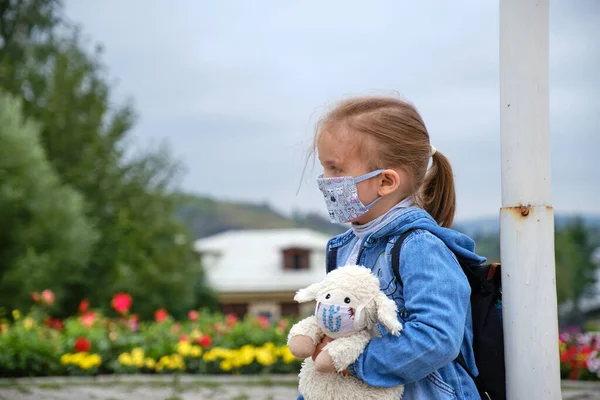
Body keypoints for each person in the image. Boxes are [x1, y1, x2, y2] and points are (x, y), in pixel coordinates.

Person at [297, 96, 486, 399]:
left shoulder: (420, 247)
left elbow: (436, 338)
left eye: (335, 169)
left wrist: (352, 360)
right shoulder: (344, 247)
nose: (325, 181)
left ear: (385, 181)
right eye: (324, 168)